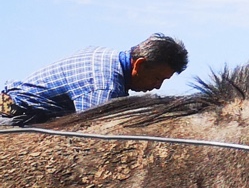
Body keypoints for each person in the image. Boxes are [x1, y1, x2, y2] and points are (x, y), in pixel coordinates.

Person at [0, 33, 189, 122]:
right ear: (139, 65)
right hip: (17, 116)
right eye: (157, 78)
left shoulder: (107, 57)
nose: (157, 87)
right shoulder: (103, 86)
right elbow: (93, 133)